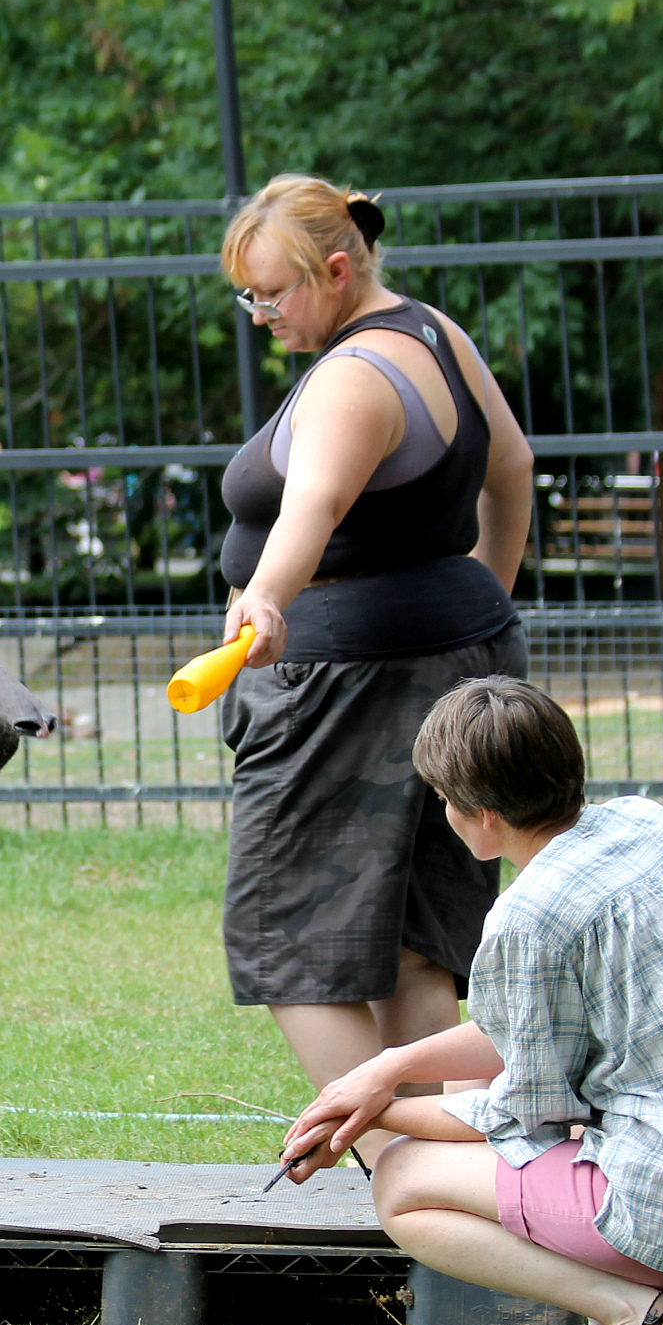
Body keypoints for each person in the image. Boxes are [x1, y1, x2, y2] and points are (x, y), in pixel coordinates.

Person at [278, 677, 663, 1325]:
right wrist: (385, 1071)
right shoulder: (644, 824)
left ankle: (634, 1320)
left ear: (485, 819)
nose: (444, 814)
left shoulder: (529, 916)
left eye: (446, 800)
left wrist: (370, 1121)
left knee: (401, 1184)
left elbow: (517, 1117)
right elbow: (518, 1035)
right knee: (582, 1128)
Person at [213, 173, 534, 1102]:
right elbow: (510, 468)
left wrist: (265, 597)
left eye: (271, 293)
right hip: (454, 649)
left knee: (285, 939)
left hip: (346, 685)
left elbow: (312, 503)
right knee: (411, 945)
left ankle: (402, 1167)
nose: (258, 313)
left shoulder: (351, 378)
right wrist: (484, 595)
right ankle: (465, 1186)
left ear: (339, 268)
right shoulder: (436, 335)